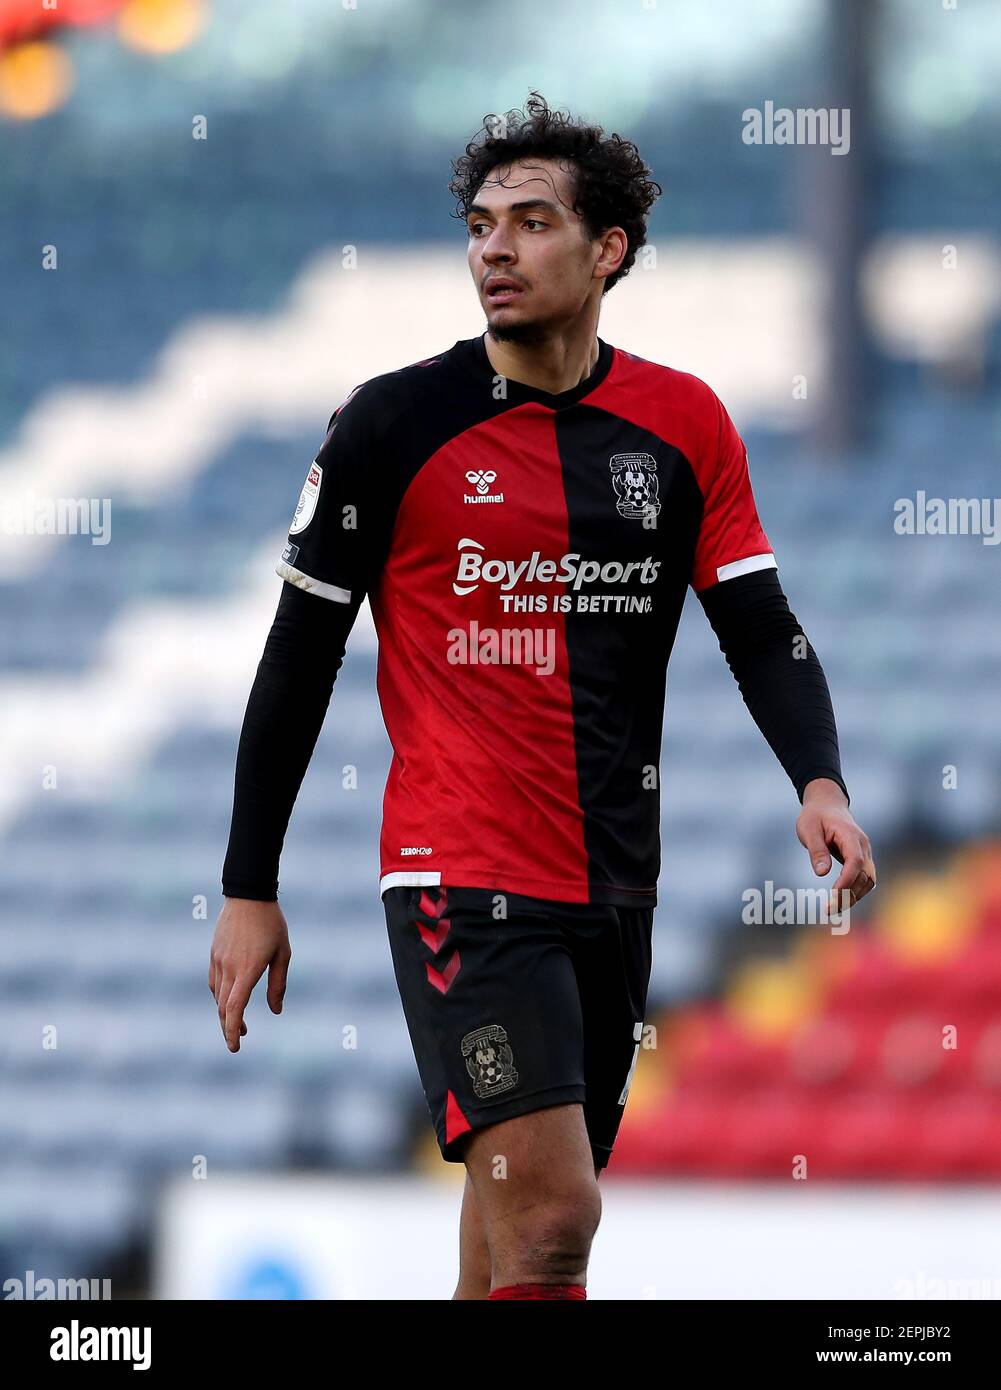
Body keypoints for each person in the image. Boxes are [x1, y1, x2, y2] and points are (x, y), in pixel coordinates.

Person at [209, 92, 876, 1300]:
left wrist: (817, 780)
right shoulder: (392, 423)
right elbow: (296, 655)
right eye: (478, 225)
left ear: (606, 249)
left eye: (528, 222)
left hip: (614, 879)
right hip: (459, 877)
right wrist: (249, 883)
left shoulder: (682, 426)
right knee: (557, 1215)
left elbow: (759, 627)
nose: (493, 250)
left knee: (512, 1241)